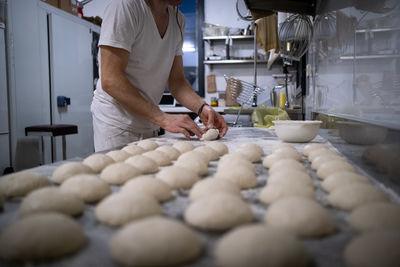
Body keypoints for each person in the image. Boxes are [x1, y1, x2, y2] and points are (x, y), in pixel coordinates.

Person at [90, 0, 228, 151]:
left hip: (149, 120)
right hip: (117, 123)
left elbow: (177, 82)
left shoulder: (178, 19)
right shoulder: (125, 7)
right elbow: (111, 80)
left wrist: (202, 108)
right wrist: (163, 118)